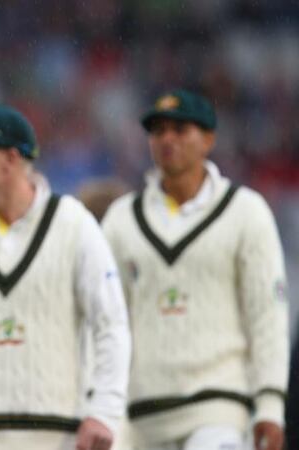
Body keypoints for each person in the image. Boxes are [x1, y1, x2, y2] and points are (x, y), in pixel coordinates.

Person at [0, 104, 131, 450]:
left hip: (55, 435)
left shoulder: (74, 226)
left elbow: (111, 324)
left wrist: (103, 411)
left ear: (11, 159)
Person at [102, 89, 288, 450]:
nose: (167, 139)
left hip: (219, 409)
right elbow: (107, 322)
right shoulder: (122, 221)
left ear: (208, 139)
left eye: (180, 129)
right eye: (158, 131)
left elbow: (267, 314)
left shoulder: (245, 213)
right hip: (141, 414)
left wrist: (270, 402)